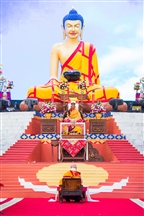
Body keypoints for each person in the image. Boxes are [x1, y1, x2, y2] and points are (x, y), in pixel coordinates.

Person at [27, 8, 119, 103]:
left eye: (76, 26)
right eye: (69, 26)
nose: (73, 29)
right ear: (63, 28)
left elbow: (94, 78)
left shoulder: (89, 47)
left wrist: (87, 85)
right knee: (33, 90)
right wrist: (56, 84)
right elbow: (53, 77)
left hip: (84, 87)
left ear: (82, 28)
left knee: (112, 91)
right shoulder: (57, 47)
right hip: (63, 88)